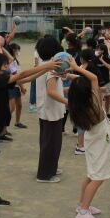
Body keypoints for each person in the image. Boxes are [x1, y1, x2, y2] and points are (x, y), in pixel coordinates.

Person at [0, 51, 59, 218]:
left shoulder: (0, 80)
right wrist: (47, 65)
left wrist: (46, 70)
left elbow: (26, 79)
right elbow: (21, 74)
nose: (8, 68)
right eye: (5, 66)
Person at [67, 56, 110, 218]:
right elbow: (93, 78)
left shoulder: (77, 104)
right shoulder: (94, 101)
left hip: (93, 139)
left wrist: (68, 75)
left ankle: (82, 204)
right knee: (98, 176)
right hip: (100, 140)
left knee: (92, 174)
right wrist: (75, 67)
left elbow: (88, 81)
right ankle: (83, 211)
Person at [36, 37, 66, 182]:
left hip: (47, 109)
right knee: (51, 144)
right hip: (51, 111)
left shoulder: (43, 64)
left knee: (48, 142)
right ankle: (44, 174)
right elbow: (51, 91)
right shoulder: (51, 67)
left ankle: (51, 167)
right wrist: (69, 102)